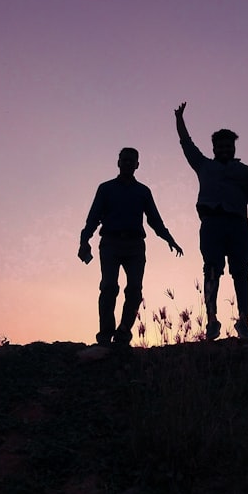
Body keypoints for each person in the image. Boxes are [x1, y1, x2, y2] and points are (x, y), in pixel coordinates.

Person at [175, 102, 248, 341]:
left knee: (241, 272)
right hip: (212, 224)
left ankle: (243, 321)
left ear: (234, 147)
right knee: (212, 270)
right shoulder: (204, 165)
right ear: (214, 147)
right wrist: (179, 119)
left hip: (237, 225)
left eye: (229, 146)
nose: (225, 149)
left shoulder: (245, 171)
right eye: (221, 146)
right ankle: (212, 319)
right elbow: (187, 145)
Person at [79, 147, 183, 346]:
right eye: (124, 159)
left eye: (131, 160)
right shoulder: (106, 188)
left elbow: (155, 220)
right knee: (109, 287)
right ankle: (105, 334)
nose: (127, 163)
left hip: (135, 246)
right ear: (118, 162)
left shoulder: (143, 191)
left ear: (137, 165)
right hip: (110, 242)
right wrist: (84, 240)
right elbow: (92, 218)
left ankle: (124, 332)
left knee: (135, 290)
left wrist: (169, 239)